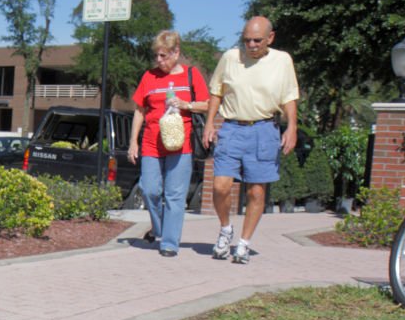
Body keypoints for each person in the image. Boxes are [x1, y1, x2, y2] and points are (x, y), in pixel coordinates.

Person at [202, 16, 299, 264]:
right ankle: (226, 229)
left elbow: (289, 96)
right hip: (232, 128)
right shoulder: (230, 58)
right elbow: (216, 92)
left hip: (264, 129)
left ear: (270, 38)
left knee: (256, 192)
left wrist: (292, 128)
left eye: (257, 40)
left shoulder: (282, 60)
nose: (252, 45)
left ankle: (244, 244)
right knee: (220, 186)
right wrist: (210, 123)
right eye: (247, 40)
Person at [127, 30, 209, 257]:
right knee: (149, 189)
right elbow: (139, 111)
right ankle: (159, 227)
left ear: (176, 53)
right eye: (157, 56)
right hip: (152, 142)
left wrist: (186, 104)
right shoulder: (149, 77)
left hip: (180, 144)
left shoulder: (192, 75)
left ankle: (170, 243)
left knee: (175, 195)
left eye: (164, 56)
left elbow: (207, 104)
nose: (159, 61)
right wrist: (133, 142)